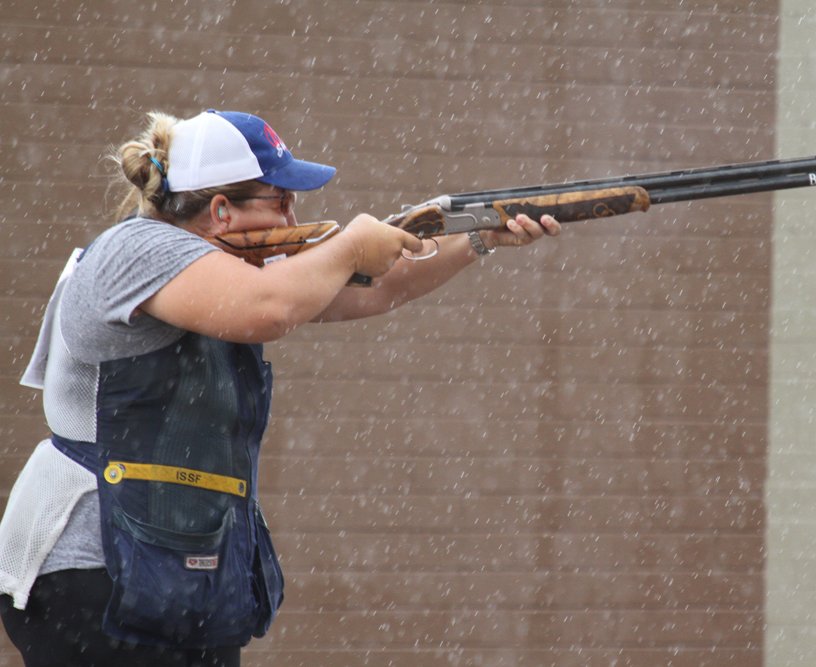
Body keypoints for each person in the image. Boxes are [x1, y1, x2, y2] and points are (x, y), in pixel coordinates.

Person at [0, 109, 560, 666]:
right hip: (88, 570)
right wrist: (348, 246)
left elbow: (370, 289)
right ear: (220, 210)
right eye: (280, 198)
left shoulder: (232, 266)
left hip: (177, 568)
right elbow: (270, 308)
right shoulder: (138, 249)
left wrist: (478, 239)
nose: (294, 215)